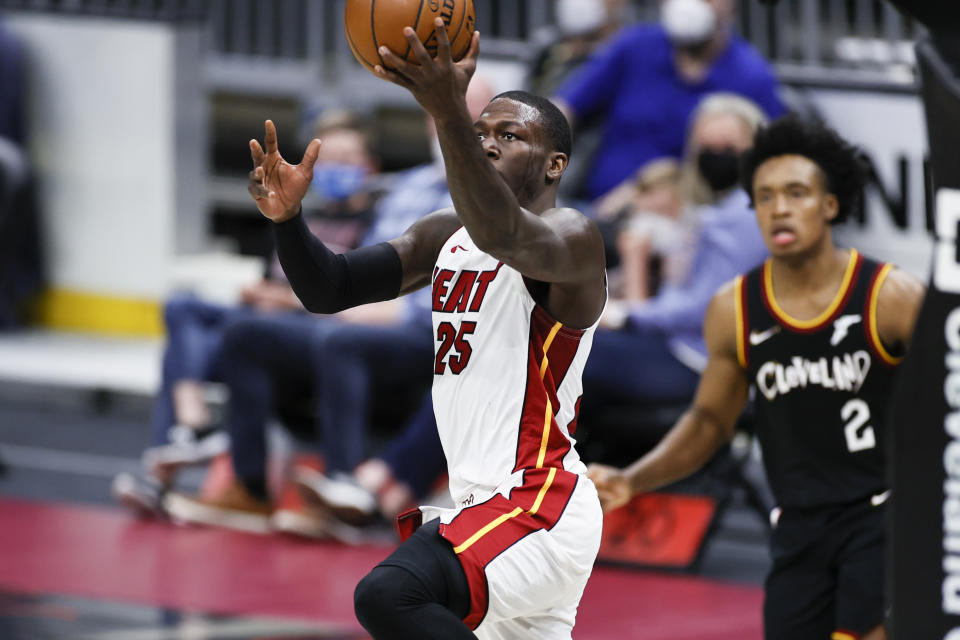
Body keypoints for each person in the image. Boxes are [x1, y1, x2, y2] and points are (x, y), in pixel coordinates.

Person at [245, 21, 606, 639]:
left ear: (554, 166)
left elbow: (507, 235)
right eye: (481, 131)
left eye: (508, 135)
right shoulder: (446, 234)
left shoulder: (574, 238)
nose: (488, 143)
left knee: (390, 592)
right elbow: (329, 289)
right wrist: (288, 220)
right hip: (481, 503)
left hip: (537, 500)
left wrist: (448, 111)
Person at [588, 116, 926, 640]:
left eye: (796, 193)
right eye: (765, 196)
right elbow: (707, 423)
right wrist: (634, 479)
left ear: (831, 205)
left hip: (883, 519)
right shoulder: (735, 309)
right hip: (796, 525)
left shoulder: (890, 297)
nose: (780, 208)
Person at [112, 111, 380, 517]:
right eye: (329, 160)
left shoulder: (377, 225)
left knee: (231, 333)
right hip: (263, 325)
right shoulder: (298, 215)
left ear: (369, 167)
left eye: (347, 158)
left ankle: (178, 455)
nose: (337, 168)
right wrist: (260, 294)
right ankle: (191, 426)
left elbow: (359, 300)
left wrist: (286, 300)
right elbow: (268, 282)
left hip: (313, 335)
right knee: (183, 307)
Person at [583, 93, 769, 415]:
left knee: (566, 353)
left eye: (728, 147)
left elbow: (705, 308)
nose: (716, 156)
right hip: (679, 345)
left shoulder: (744, 214)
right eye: (706, 147)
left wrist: (627, 316)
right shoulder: (716, 209)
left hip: (700, 361)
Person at [552, 0, 785, 202]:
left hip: (683, 224)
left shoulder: (751, 76)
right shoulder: (635, 46)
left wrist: (641, 192)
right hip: (595, 207)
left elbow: (767, 164)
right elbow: (565, 107)